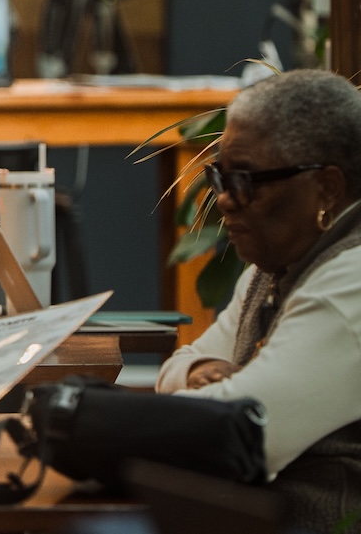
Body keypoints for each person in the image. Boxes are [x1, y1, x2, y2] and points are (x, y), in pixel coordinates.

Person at [157, 69, 361, 530]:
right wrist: (195, 373)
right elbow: (179, 367)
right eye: (221, 178)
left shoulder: (351, 284)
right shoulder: (270, 270)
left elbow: (235, 433)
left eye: (246, 180)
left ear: (327, 188)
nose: (225, 200)